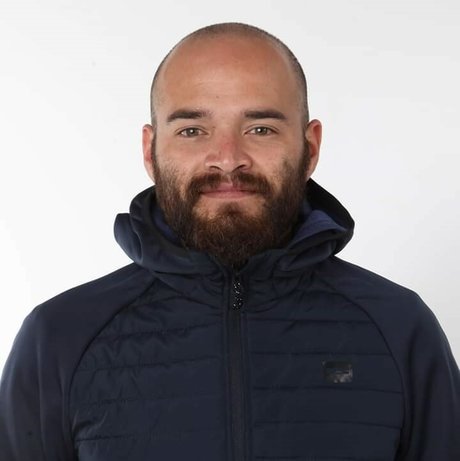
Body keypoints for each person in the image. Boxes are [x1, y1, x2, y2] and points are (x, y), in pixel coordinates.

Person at [0, 22, 459, 461]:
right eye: (192, 130)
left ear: (311, 148)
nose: (227, 159)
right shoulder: (59, 339)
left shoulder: (400, 329)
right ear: (150, 151)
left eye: (260, 129)